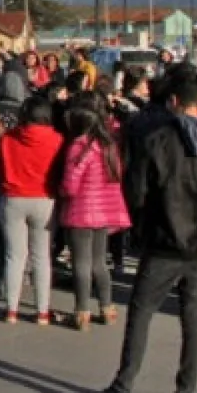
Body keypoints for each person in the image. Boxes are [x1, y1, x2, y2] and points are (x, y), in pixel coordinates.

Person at [82, 78, 197, 393]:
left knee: (141, 314)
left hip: (164, 241)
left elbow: (137, 193)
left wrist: (145, 225)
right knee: (193, 319)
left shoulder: (158, 142)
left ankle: (123, 388)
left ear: (173, 101)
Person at [59, 95, 133, 330]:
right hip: (104, 211)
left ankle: (82, 311)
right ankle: (107, 307)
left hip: (81, 210)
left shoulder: (79, 147)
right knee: (100, 261)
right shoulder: (109, 145)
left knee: (81, 263)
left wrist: (60, 190)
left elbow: (70, 185)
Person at [0, 95, 63, 325]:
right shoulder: (57, 140)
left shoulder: (8, 139)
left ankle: (11, 309)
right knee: (41, 256)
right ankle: (42, 311)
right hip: (45, 199)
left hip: (13, 197)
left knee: (14, 256)